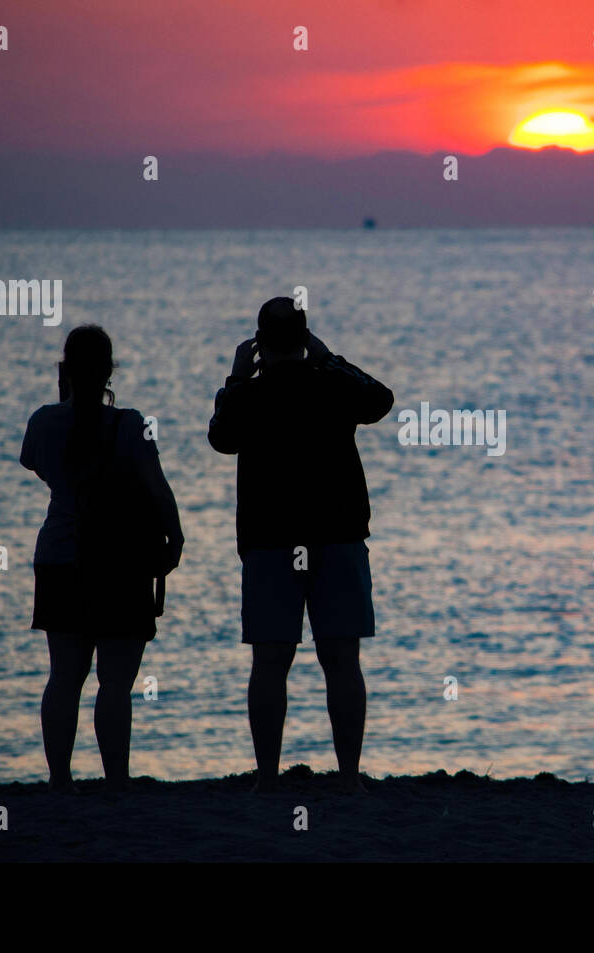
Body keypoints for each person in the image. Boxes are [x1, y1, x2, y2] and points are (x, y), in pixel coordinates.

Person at [208, 297, 393, 793]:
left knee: (270, 662)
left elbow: (220, 438)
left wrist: (235, 379)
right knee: (341, 660)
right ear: (306, 338)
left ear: (260, 344)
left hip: (271, 542)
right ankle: (349, 777)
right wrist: (331, 361)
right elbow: (380, 399)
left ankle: (267, 778)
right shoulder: (330, 385)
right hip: (336, 537)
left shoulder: (249, 395)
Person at [21, 324, 184, 793]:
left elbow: (35, 464)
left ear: (65, 369)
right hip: (120, 562)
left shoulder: (43, 421)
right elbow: (157, 485)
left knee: (64, 678)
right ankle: (116, 780)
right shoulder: (130, 425)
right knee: (114, 683)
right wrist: (174, 537)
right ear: (111, 370)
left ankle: (59, 779)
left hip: (59, 557)